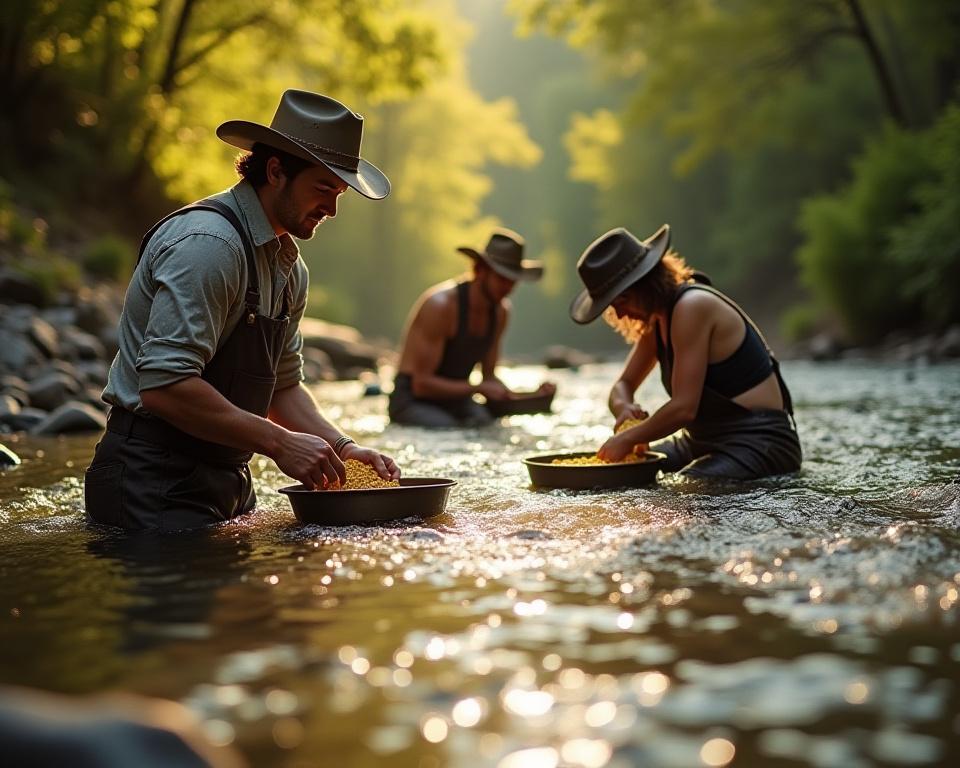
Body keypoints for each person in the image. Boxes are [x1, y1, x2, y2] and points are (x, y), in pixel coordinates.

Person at [85, 89, 400, 531]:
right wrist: (280, 443)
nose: (331, 208)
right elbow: (164, 384)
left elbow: (283, 387)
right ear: (276, 171)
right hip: (148, 479)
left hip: (226, 478)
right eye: (324, 189)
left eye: (340, 194)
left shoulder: (289, 269)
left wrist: (341, 447)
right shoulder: (208, 246)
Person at [570, 225, 801, 479]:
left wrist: (630, 436)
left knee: (689, 488)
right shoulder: (656, 321)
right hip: (699, 442)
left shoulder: (692, 307)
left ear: (646, 283)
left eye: (622, 300)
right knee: (628, 472)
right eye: (612, 307)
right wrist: (623, 407)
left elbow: (684, 409)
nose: (621, 314)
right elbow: (623, 383)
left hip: (760, 442)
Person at [389, 229, 556, 427]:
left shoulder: (501, 312)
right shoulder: (441, 306)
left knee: (488, 426)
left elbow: (489, 378)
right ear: (480, 270)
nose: (509, 287)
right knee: (449, 431)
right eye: (502, 278)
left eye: (513, 280)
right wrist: (477, 388)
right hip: (412, 400)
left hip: (457, 400)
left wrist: (530, 396)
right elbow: (421, 385)